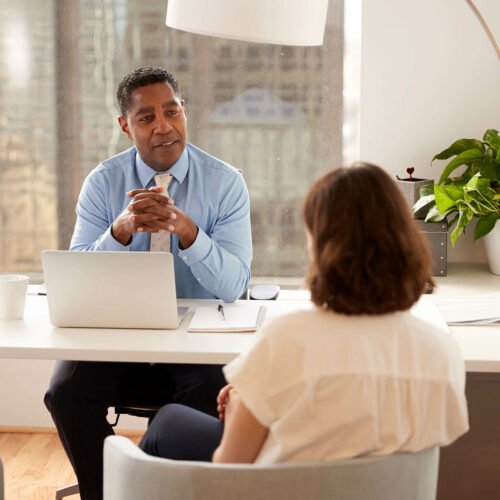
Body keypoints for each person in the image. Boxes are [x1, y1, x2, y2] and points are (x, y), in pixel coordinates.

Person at [140, 163, 469, 465]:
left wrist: (243, 402)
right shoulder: (442, 352)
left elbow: (229, 469)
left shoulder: (288, 339)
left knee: (168, 422)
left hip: (287, 487)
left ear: (324, 246)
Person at [44, 66, 252, 500]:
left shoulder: (226, 183)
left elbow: (234, 284)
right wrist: (119, 232)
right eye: (146, 118)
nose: (163, 126)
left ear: (184, 112)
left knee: (207, 399)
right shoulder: (103, 183)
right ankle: (105, 493)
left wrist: (189, 233)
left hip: (195, 348)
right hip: (118, 340)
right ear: (125, 126)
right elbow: (77, 276)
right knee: (64, 393)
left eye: (172, 111)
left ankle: (161, 492)